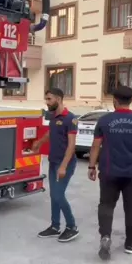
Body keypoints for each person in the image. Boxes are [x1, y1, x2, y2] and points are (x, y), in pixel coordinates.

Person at [87, 86, 132, 261]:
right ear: (131, 100)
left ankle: (105, 236)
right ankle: (130, 244)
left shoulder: (104, 120)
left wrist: (91, 166)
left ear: (115, 101)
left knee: (106, 205)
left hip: (109, 171)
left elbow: (96, 145)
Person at [31, 88, 80, 242]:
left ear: (58, 99)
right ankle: (55, 226)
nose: (47, 102)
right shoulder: (53, 116)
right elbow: (50, 133)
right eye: (46, 99)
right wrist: (39, 142)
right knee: (54, 195)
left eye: (49, 99)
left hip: (65, 163)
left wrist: (64, 166)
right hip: (53, 161)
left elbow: (71, 146)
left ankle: (72, 226)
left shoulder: (70, 119)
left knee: (58, 195)